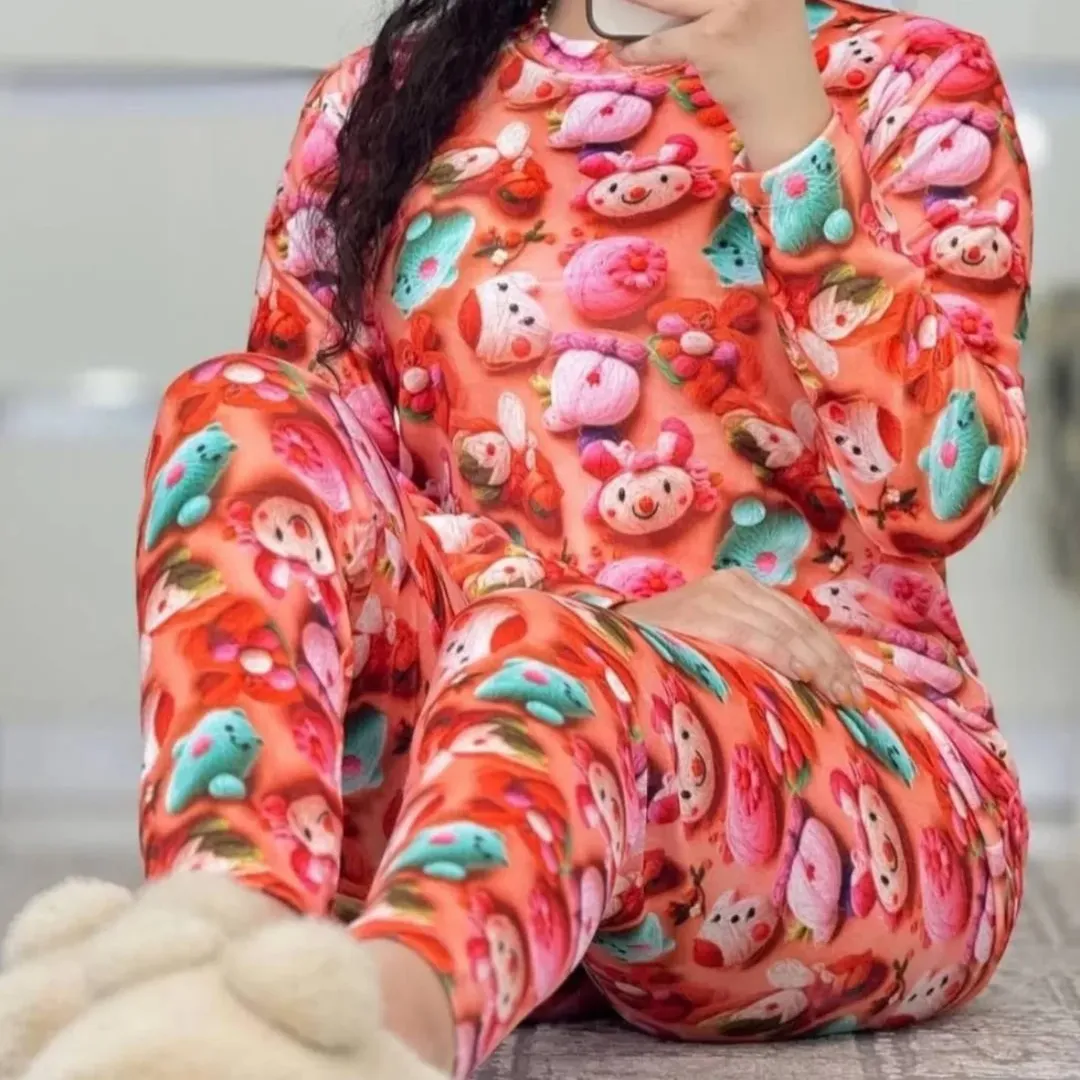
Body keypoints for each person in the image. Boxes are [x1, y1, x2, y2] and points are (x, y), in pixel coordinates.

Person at [0, 1, 1031, 1078]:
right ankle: (217, 963)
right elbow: (319, 508)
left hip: (838, 779)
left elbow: (941, 493)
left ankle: (366, 1038)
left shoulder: (916, 80)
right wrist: (603, 610)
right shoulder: (383, 99)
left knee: (549, 653)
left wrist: (792, 132)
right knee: (236, 414)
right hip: (466, 788)